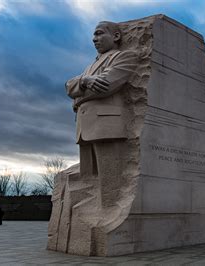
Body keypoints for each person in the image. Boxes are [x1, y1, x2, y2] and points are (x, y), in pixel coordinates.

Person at [65, 21, 138, 207]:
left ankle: (109, 220)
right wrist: (85, 81)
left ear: (116, 36)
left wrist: (78, 96)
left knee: (110, 188)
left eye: (99, 34)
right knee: (89, 183)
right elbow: (68, 86)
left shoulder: (124, 56)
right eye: (93, 35)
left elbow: (106, 86)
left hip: (107, 127)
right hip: (85, 127)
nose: (94, 39)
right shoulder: (90, 67)